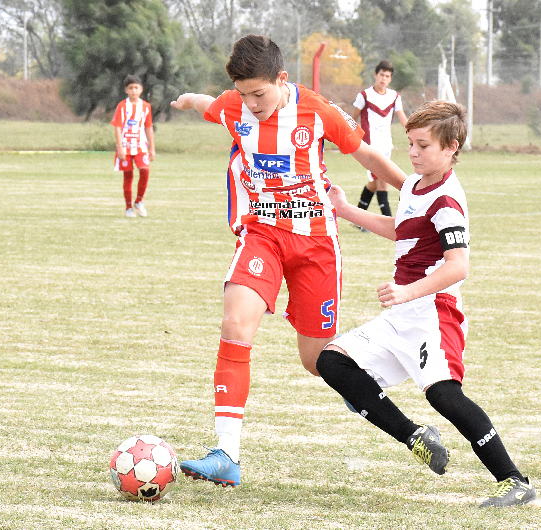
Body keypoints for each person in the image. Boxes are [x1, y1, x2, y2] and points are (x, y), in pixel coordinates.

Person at [169, 35, 408, 488]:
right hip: (263, 234)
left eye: (259, 94)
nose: (251, 104)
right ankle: (227, 453)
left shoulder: (315, 110)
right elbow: (210, 103)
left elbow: (368, 155)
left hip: (316, 243)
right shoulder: (235, 105)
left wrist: (415, 192)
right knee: (236, 325)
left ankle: (362, 384)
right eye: (243, 94)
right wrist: (187, 100)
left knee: (317, 361)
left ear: (282, 79)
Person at [317, 100, 537, 508]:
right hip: (401, 313)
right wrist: (347, 210)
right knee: (331, 362)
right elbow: (402, 231)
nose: (413, 153)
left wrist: (409, 291)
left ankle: (513, 480)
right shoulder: (417, 187)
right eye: (410, 144)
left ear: (452, 148)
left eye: (423, 146)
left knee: (443, 395)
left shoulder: (447, 201)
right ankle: (414, 436)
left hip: (433, 312)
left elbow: (458, 266)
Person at [350, 60, 408, 222]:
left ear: (390, 79)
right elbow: (352, 119)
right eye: (381, 75)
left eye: (387, 76)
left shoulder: (394, 96)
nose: (383, 79)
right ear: (375, 75)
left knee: (375, 183)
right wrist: (347, 139)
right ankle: (391, 222)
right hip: (370, 146)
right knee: (383, 181)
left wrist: (413, 131)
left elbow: (402, 117)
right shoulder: (364, 96)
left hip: (385, 146)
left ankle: (358, 218)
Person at [112, 75, 156, 218]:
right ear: (126, 90)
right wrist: (120, 147)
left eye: (136, 87)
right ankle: (128, 207)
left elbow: (148, 127)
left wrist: (152, 148)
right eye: (130, 88)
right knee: (128, 175)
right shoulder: (122, 106)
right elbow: (117, 127)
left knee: (145, 170)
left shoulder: (146, 107)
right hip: (125, 145)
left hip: (140, 145)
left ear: (141, 89)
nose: (133, 91)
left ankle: (139, 201)